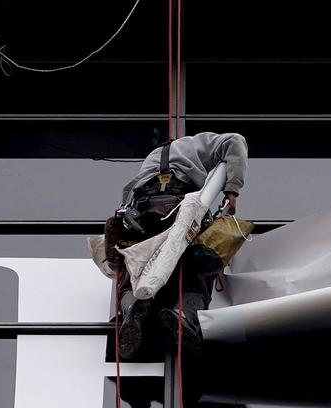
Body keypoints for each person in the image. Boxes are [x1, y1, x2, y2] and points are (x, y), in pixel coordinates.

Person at [103, 130, 248, 358]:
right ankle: (184, 314)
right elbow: (235, 141)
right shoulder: (196, 144)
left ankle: (133, 307)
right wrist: (232, 188)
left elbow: (128, 191)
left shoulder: (152, 158)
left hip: (141, 208)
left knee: (135, 267)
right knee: (196, 268)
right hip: (178, 203)